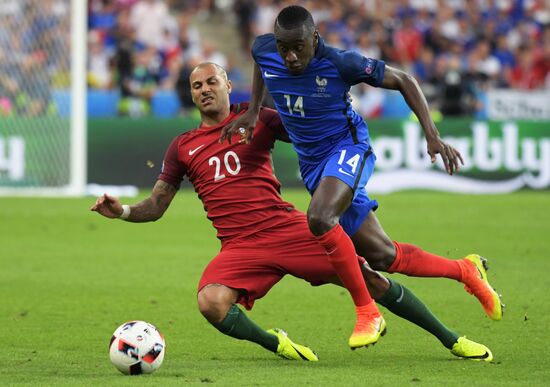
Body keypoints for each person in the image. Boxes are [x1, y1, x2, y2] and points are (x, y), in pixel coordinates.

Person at [92, 62, 493, 362]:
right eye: (196, 86)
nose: (204, 90)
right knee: (211, 303)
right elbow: (157, 204)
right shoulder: (183, 146)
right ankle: (277, 342)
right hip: (239, 247)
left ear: (229, 84)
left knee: (373, 278)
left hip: (288, 228)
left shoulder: (260, 119)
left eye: (212, 81)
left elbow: (313, 133)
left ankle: (451, 338)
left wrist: (338, 168)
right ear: (192, 95)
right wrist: (124, 211)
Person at [220, 5, 503, 345]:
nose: (291, 57)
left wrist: (431, 133)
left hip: (348, 147)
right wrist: (254, 111)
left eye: (298, 47)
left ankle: (367, 312)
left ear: (315, 38)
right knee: (383, 255)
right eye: (284, 48)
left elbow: (404, 79)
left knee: (321, 217)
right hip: (313, 165)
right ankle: (465, 270)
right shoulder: (265, 48)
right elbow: (262, 66)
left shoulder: (342, 62)